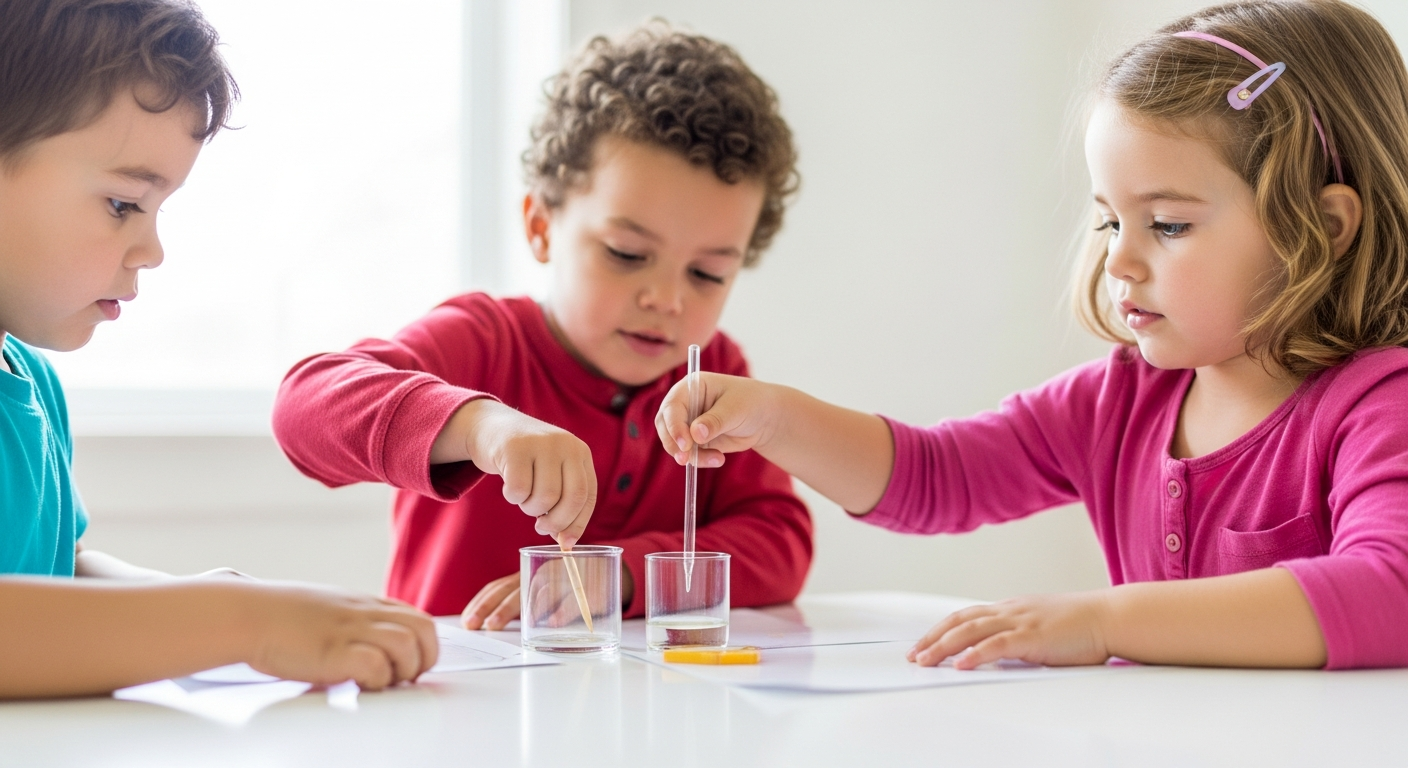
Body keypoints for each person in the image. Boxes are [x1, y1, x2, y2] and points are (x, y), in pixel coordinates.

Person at [656, 0, 1408, 670]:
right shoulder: (1119, 401)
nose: (1119, 258)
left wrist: (1103, 621)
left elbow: (1390, 591)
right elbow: (938, 475)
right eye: (1111, 219)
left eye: (1169, 224)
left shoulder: (1378, 406)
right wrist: (776, 419)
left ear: (1323, 227)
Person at [272, 24, 812, 627]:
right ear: (541, 226)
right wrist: (479, 426)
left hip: (635, 708)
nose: (666, 299)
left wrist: (622, 573)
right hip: (449, 700)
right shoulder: (483, 341)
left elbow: (782, 540)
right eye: (627, 254)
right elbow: (302, 410)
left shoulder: (717, 377)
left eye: (708, 274)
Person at [0, 0, 436, 699]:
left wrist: (197, 597)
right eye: (123, 205)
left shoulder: (32, 383)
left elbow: (58, 570)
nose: (152, 249)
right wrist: (236, 622)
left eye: (158, 208)